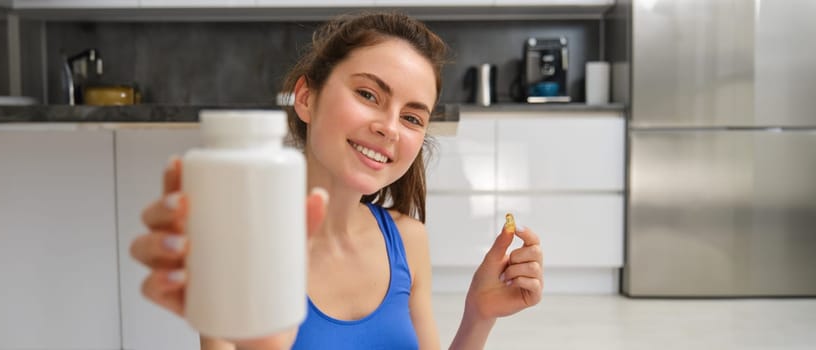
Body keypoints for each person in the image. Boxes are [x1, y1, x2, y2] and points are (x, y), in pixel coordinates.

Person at [130, 11, 544, 350]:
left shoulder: (408, 240)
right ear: (307, 98)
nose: (390, 128)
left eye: (412, 117)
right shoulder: (242, 249)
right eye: (368, 94)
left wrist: (478, 315)